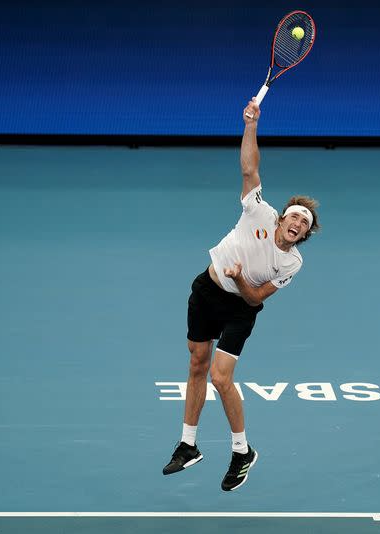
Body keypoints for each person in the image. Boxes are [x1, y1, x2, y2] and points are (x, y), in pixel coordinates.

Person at [162, 98, 320, 491]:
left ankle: (241, 450)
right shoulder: (259, 212)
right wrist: (250, 124)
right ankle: (188, 445)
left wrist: (240, 278)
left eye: (305, 222)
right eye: (295, 214)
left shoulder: (292, 264)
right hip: (206, 290)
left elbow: (254, 299)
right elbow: (250, 168)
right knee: (196, 364)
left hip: (239, 309)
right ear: (281, 218)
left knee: (220, 377)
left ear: (304, 235)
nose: (298, 221)